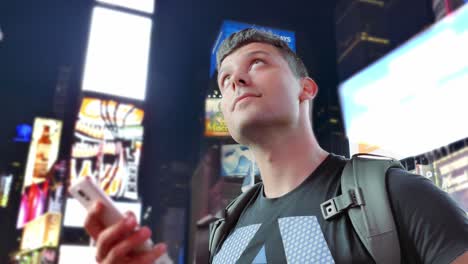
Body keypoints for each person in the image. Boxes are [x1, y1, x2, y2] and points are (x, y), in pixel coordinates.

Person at [85, 28, 468, 263]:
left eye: (257, 63)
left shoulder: (394, 194)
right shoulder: (222, 234)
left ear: (306, 88)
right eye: (225, 79)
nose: (236, 81)